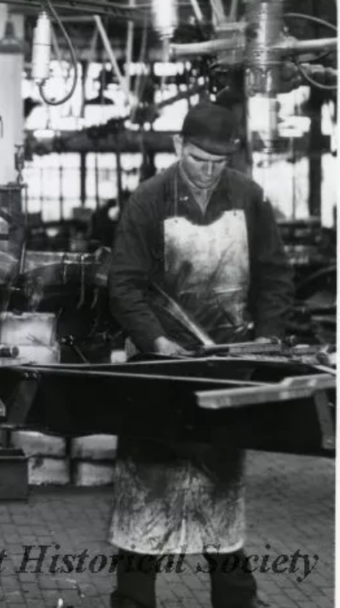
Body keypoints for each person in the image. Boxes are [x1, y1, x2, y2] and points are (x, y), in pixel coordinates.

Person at [106, 101, 294, 608]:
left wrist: (267, 338)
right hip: (161, 368)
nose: (208, 172)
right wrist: (155, 342)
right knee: (147, 488)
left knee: (221, 485)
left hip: (227, 365)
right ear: (177, 146)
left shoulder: (249, 197)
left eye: (219, 162)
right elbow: (124, 285)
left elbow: (275, 276)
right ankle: (133, 600)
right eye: (197, 160)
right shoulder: (148, 200)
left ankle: (235, 599)